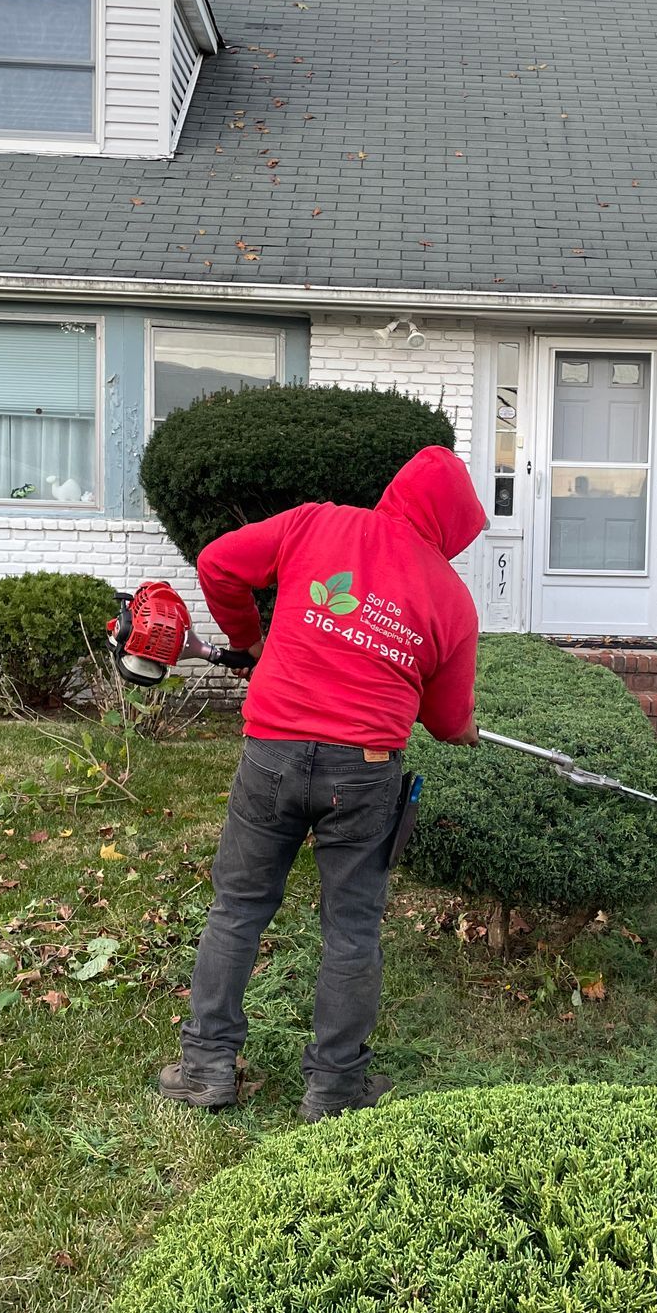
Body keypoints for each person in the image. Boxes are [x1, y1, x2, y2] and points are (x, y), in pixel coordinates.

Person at [158, 445, 487, 1123]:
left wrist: (247, 638)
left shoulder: (317, 524)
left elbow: (218, 563)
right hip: (364, 774)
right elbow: (447, 718)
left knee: (238, 909)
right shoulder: (450, 598)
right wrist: (463, 731)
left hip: (272, 752)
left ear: (398, 491)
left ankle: (205, 1068)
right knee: (352, 931)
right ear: (454, 524)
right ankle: (334, 1087)